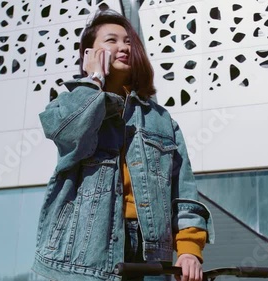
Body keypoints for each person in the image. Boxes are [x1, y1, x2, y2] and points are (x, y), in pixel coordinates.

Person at [31, 8, 215, 281]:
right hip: (80, 257)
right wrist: (94, 81)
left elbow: (183, 191)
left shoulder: (162, 120)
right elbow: (68, 131)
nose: (124, 47)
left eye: (129, 41)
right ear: (88, 55)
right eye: (111, 40)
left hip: (150, 257)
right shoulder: (71, 103)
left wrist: (188, 250)